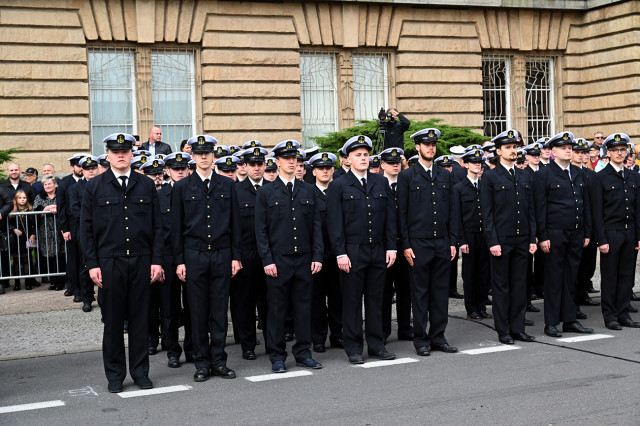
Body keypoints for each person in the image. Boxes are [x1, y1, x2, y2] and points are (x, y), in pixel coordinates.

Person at [80, 133, 163, 393]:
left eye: (125, 151)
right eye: (115, 151)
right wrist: (92, 264)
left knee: (141, 320)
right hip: (109, 263)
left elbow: (158, 226)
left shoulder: (145, 184)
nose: (120, 155)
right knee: (113, 322)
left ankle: (140, 373)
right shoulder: (94, 186)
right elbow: (86, 229)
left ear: (132, 154)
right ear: (107, 155)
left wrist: (156, 261)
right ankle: (115, 375)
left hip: (141, 261)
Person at [171, 135, 242, 382]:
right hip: (194, 256)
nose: (203, 156)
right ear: (193, 156)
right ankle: (201, 363)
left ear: (214, 156)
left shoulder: (227, 185)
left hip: (222, 254)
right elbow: (176, 228)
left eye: (207, 152)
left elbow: (235, 223)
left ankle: (219, 361)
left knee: (219, 312)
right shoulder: (181, 187)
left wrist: (236, 256)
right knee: (198, 312)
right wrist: (179, 261)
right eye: (199, 152)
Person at [255, 139, 323, 373]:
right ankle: (277, 355)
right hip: (279, 260)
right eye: (287, 158)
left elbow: (316, 226)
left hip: (304, 258)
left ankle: (304, 352)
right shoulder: (266, 192)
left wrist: (317, 256)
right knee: (277, 310)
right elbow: (261, 230)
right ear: (277, 162)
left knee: (304, 308)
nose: (292, 162)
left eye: (295, 158)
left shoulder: (308, 189)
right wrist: (267, 260)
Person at [327, 136, 397, 364]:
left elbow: (389, 218)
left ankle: (377, 345)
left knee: (377, 301)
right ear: (348, 159)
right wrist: (340, 252)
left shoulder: (380, 182)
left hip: (377, 250)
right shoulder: (338, 185)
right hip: (352, 251)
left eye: (366, 154)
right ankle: (354, 347)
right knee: (352, 302)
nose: (363, 158)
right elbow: (335, 222)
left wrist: (391, 247)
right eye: (358, 155)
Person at [397, 128, 458, 357]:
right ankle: (421, 339)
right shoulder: (407, 177)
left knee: (440, 292)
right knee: (420, 293)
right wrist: (406, 245)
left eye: (433, 144)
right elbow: (401, 213)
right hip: (418, 244)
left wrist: (453, 241)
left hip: (442, 242)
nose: (431, 147)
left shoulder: (445, 176)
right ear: (417, 147)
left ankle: (439, 336)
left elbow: (452, 211)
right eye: (426, 144)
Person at [533, 132, 593, 337]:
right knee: (553, 278)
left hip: (575, 233)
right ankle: (551, 322)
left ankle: (569, 319)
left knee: (571, 277)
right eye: (564, 148)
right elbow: (539, 208)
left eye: (570, 148)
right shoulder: (544, 174)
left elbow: (584, 204)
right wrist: (542, 235)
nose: (569, 151)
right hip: (555, 233)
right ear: (553, 152)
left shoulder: (578, 173)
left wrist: (586, 231)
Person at [480, 129, 537, 344]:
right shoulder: (491, 177)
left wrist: (532, 238)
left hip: (522, 238)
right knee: (502, 286)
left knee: (520, 285)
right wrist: (492, 241)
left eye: (515, 147)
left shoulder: (524, 175)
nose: (513, 151)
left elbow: (530, 210)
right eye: (508, 148)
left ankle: (518, 327)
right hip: (502, 241)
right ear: (498, 151)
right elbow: (487, 214)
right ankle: (503, 330)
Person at [590, 133, 640, 330]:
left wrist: (638, 236)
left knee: (627, 275)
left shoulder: (633, 176)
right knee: (610, 276)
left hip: (629, 232)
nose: (620, 153)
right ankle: (610, 315)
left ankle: (623, 312)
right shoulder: (600, 177)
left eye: (622, 150)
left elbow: (637, 209)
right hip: (611, 233)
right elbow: (597, 212)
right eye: (615, 150)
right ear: (608, 153)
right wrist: (601, 239)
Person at [231, 147, 269, 361]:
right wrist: (235, 256)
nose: (256, 168)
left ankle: (272, 342)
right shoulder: (236, 191)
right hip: (245, 255)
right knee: (244, 303)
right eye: (252, 164)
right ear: (244, 166)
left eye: (259, 164)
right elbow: (233, 228)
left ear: (264, 165)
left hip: (268, 256)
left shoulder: (273, 189)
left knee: (269, 303)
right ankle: (248, 345)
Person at [157, 152, 193, 368]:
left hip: (191, 255)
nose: (180, 171)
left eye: (183, 168)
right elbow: (155, 231)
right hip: (168, 257)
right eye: (175, 168)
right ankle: (172, 349)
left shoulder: (196, 191)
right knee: (168, 307)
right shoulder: (159, 196)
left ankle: (191, 348)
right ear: (167, 171)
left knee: (192, 307)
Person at [309, 152, 343, 352]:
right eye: (321, 168)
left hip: (338, 253)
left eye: (328, 168)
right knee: (317, 300)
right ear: (313, 171)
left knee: (338, 297)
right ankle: (319, 338)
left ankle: (338, 336)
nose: (325, 171)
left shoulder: (339, 191)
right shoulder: (308, 193)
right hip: (318, 255)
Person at [453, 148, 492, 321]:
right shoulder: (459, 188)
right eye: (473, 162)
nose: (477, 165)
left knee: (484, 272)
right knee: (470, 273)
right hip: (469, 235)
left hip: (485, 234)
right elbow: (457, 216)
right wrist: (461, 239)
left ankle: (482, 305)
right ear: (466, 164)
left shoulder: (485, 185)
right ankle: (471, 308)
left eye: (479, 162)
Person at [379, 147, 413, 342]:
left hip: (405, 245)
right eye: (390, 163)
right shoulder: (377, 185)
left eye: (397, 163)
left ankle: (405, 327)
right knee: (383, 291)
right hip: (384, 247)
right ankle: (383, 330)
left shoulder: (406, 184)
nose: (395, 166)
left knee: (405, 289)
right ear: (382, 165)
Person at [572, 139, 600, 314]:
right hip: (575, 227)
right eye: (578, 152)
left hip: (590, 227)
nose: (581, 155)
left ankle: (582, 294)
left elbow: (595, 204)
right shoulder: (570, 173)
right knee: (575, 267)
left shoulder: (591, 175)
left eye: (584, 153)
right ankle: (573, 301)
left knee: (588, 266)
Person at [68, 156, 100, 311]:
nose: (91, 171)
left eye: (93, 168)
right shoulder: (75, 188)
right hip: (85, 230)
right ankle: (87, 298)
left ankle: (104, 298)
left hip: (103, 231)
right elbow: (74, 209)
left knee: (105, 263)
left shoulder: (103, 185)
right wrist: (92, 218)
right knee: (85, 264)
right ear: (82, 170)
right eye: (88, 169)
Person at [57, 154, 85, 297]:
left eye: (82, 166)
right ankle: (75, 288)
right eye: (78, 166)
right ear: (72, 167)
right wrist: (65, 229)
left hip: (85, 225)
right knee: (73, 258)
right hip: (72, 225)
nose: (81, 169)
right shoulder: (65, 183)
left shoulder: (89, 182)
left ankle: (85, 287)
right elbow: (61, 208)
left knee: (84, 257)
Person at [8, 190, 36, 290]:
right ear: (16, 199)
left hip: (26, 238)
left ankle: (28, 282)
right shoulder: (12, 212)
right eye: (20, 198)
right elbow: (8, 224)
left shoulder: (30, 211)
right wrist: (13, 229)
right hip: (15, 240)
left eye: (24, 198)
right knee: (16, 261)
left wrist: (33, 234)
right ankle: (17, 283)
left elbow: (34, 224)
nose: (22, 199)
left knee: (26, 260)